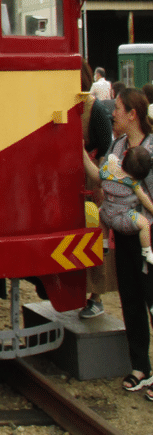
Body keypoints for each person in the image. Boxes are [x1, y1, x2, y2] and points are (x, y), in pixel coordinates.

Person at [83, 88, 153, 395]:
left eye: (119, 108)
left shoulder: (150, 149)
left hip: (147, 236)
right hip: (125, 238)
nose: (113, 113)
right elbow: (103, 178)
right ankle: (141, 367)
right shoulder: (117, 145)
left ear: (132, 114)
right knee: (132, 301)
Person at [81, 59, 114, 319]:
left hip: (91, 183)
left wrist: (100, 184)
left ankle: (96, 296)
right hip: (71, 180)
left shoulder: (96, 110)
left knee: (94, 237)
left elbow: (105, 148)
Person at [97, 146, 153, 263]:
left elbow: (100, 173)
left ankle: (104, 244)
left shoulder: (108, 170)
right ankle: (147, 252)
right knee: (145, 225)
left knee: (100, 213)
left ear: (124, 153)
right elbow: (144, 199)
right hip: (123, 218)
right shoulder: (131, 182)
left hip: (106, 214)